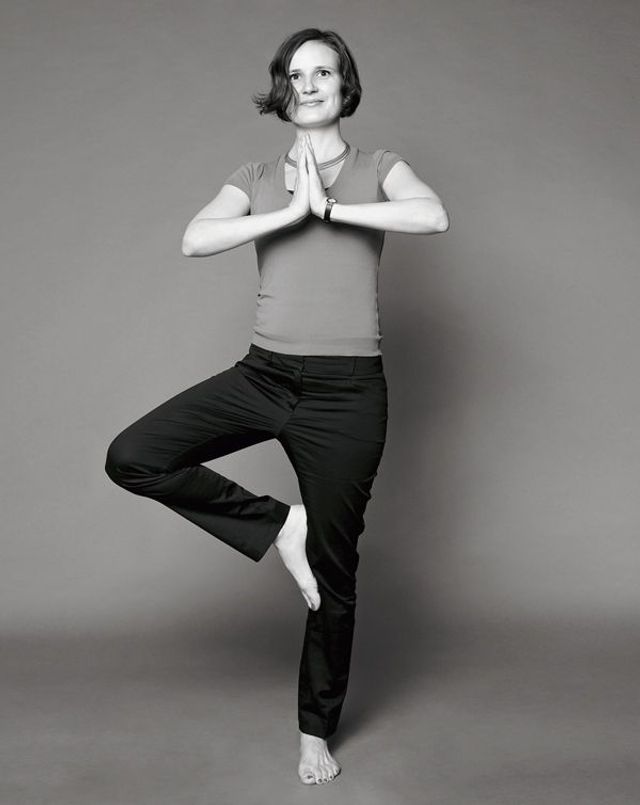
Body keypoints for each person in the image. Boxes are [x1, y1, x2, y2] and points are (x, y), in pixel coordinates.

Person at [105, 27, 449, 786]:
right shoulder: (257, 175)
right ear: (282, 91)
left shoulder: (379, 167)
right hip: (264, 375)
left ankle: (314, 730)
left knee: (334, 574)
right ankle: (279, 524)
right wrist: (290, 213)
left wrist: (333, 210)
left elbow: (433, 216)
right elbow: (195, 239)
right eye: (297, 75)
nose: (311, 84)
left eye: (324, 72)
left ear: (345, 85)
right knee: (133, 456)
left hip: (348, 393)